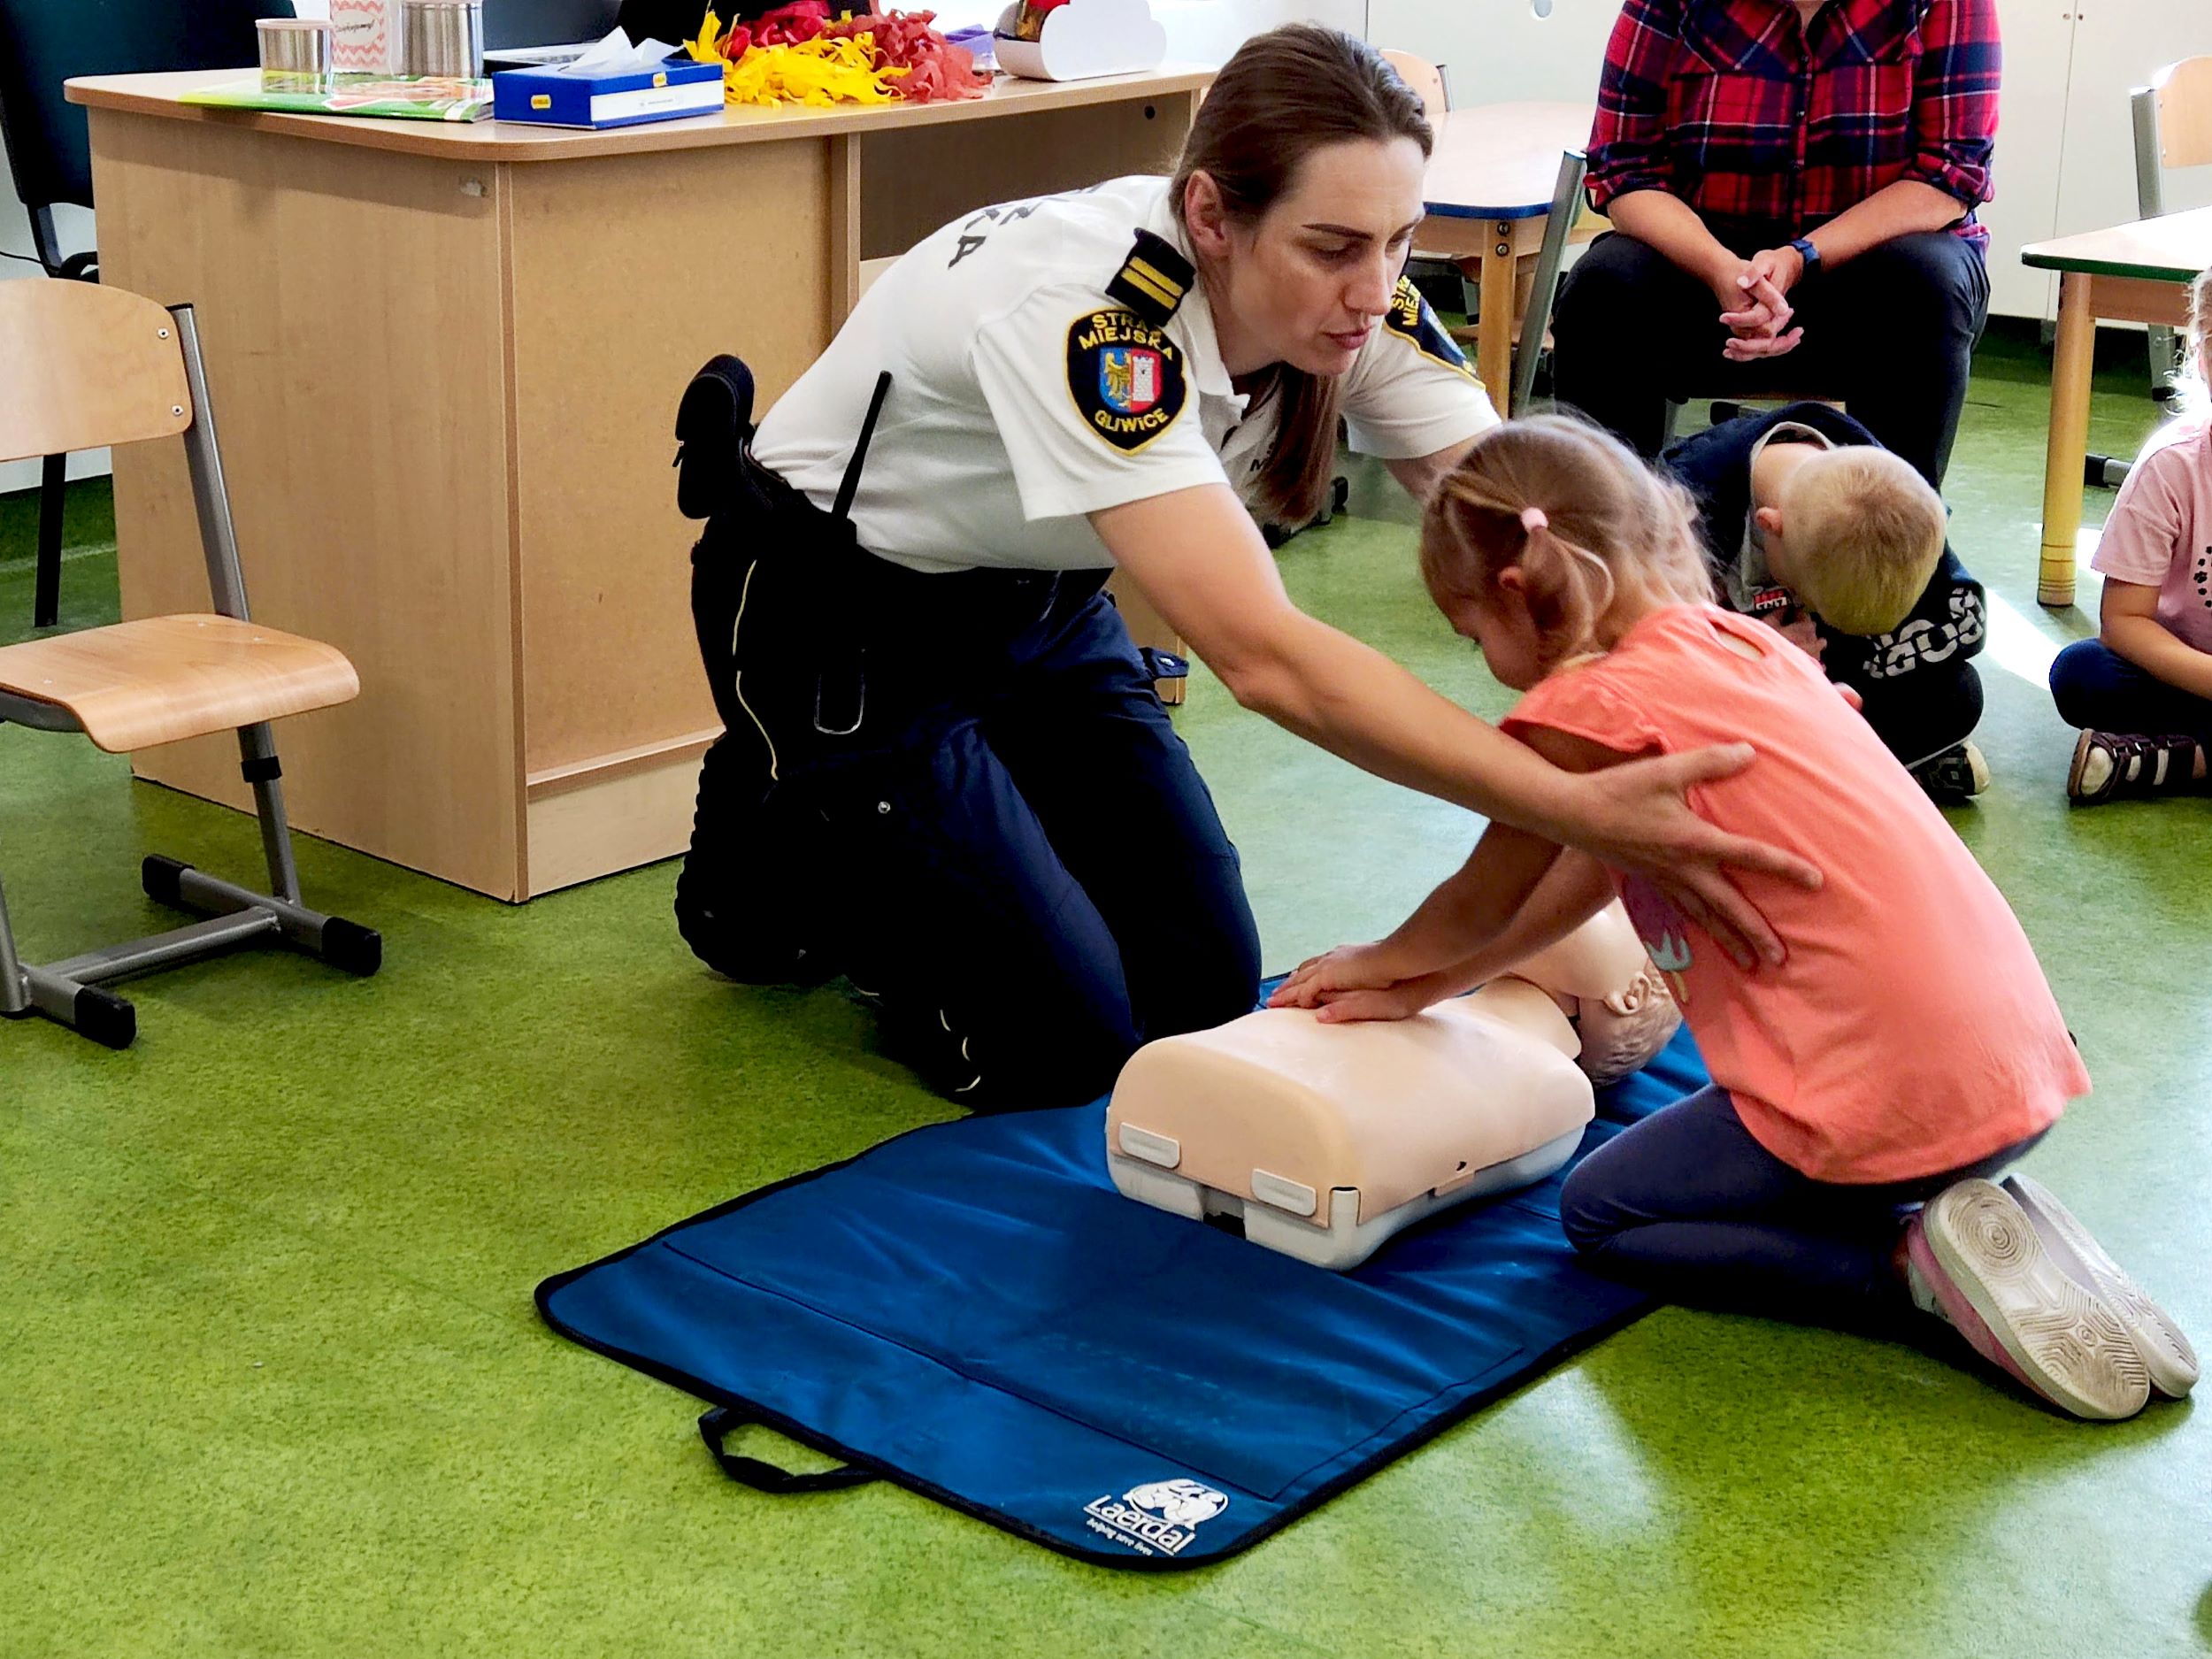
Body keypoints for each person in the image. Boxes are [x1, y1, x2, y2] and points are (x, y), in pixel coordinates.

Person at [672, 26, 1819, 1111]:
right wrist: (1570, 801)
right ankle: (778, 831)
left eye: (1401, 240)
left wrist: (1709, 685)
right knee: (1063, 1048)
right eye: (1334, 248)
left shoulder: (1356, 295)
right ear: (1214, 214)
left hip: (1039, 605)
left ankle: (913, 822)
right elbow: (1269, 660)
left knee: (1202, 992)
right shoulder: (1094, 319)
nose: (1376, 291)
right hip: (842, 620)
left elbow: (1533, 521)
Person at [1274, 416, 2196, 1419]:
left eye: (1470, 634)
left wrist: (1384, 961)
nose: (1482, 657)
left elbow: (1481, 895)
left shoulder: (1590, 708)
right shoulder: (1747, 645)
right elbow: (1604, 856)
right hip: (2013, 1076)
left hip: (1896, 1113)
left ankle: (1909, 1270)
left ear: (1508, 594)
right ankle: (1994, 1227)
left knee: (1603, 1213)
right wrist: (1441, 979)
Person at [1548, 0, 2001, 488]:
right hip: (1707, 271)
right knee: (1602, 285)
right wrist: (1722, 269)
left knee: (1925, 281)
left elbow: (1951, 175)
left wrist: (1799, 257)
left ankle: (1898, 539)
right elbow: (1624, 170)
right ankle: (1610, 535)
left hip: (1869, 275)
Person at [1663, 401, 1991, 802]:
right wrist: (1750, 648)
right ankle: (1872, 772)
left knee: (1957, 694)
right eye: (1804, 594)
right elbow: (1651, 649)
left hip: (1822, 668)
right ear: (1770, 528)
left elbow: (1958, 618)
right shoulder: (1683, 511)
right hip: (1727, 674)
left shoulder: (1892, 496)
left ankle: (1822, 773)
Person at [2048, 270, 2212, 805]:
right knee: (2082, 674)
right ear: (2203, 355)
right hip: (2185, 673)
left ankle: (2183, 759)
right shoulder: (2174, 466)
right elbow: (2124, 621)